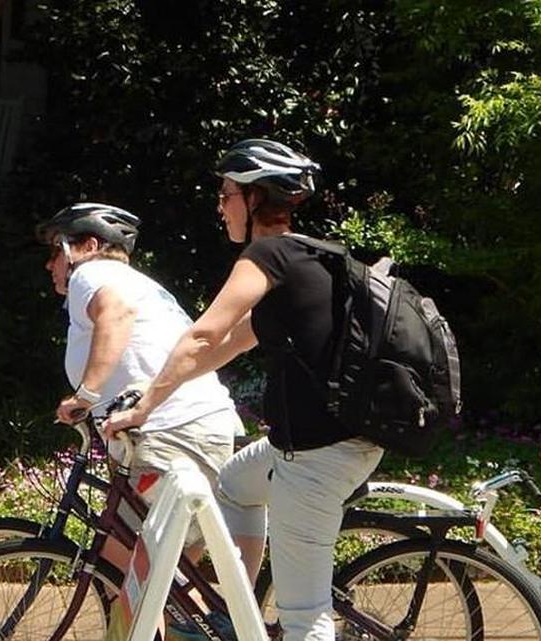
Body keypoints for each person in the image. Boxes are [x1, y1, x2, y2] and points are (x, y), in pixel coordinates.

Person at [107, 139, 385, 641]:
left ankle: (257, 619)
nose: (220, 206)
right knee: (234, 482)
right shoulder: (306, 259)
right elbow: (225, 347)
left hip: (318, 455)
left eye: (226, 194)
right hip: (317, 444)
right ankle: (237, 610)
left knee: (306, 618)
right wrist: (153, 395)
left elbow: (203, 334)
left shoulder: (268, 255)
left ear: (255, 198)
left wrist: (144, 408)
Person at [36, 202, 243, 571]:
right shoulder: (133, 283)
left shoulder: (93, 273)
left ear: (87, 246)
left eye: (56, 250)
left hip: (170, 431)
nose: (50, 264)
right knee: (160, 581)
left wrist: (86, 396)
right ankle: (194, 627)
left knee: (135, 575)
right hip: (181, 431)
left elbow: (116, 315)